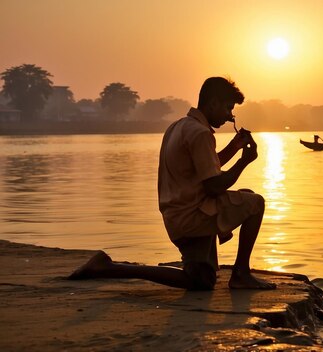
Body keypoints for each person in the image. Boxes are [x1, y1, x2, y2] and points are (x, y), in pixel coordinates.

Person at [69, 77, 276, 290]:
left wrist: (234, 147)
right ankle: (241, 273)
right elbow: (213, 186)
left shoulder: (179, 126)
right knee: (256, 203)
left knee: (202, 280)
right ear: (213, 103)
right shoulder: (200, 133)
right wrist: (244, 161)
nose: (229, 116)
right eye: (227, 108)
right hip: (192, 218)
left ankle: (107, 268)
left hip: (178, 215)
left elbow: (206, 167)